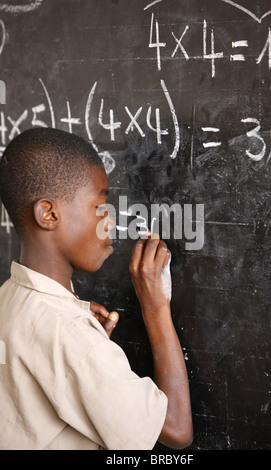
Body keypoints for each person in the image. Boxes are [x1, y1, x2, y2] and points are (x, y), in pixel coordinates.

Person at [0, 128, 193, 450]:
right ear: (49, 214)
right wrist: (155, 307)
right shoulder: (71, 336)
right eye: (98, 206)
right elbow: (176, 429)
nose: (110, 221)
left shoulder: (9, 298)